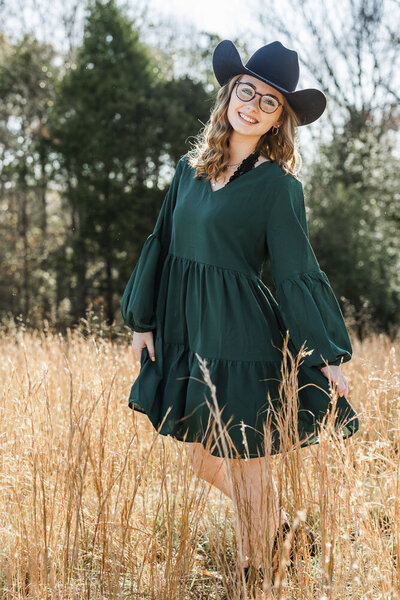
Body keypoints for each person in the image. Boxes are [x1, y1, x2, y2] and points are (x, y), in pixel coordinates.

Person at [120, 39, 360, 587]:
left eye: (268, 102)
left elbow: (298, 271)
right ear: (230, 93)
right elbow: (162, 241)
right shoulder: (189, 170)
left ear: (278, 121)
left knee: (248, 461)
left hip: (243, 337)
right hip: (190, 330)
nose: (251, 105)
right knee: (206, 461)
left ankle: (259, 573)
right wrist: (143, 320)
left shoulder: (279, 188)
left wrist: (323, 355)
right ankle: (286, 533)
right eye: (246, 92)